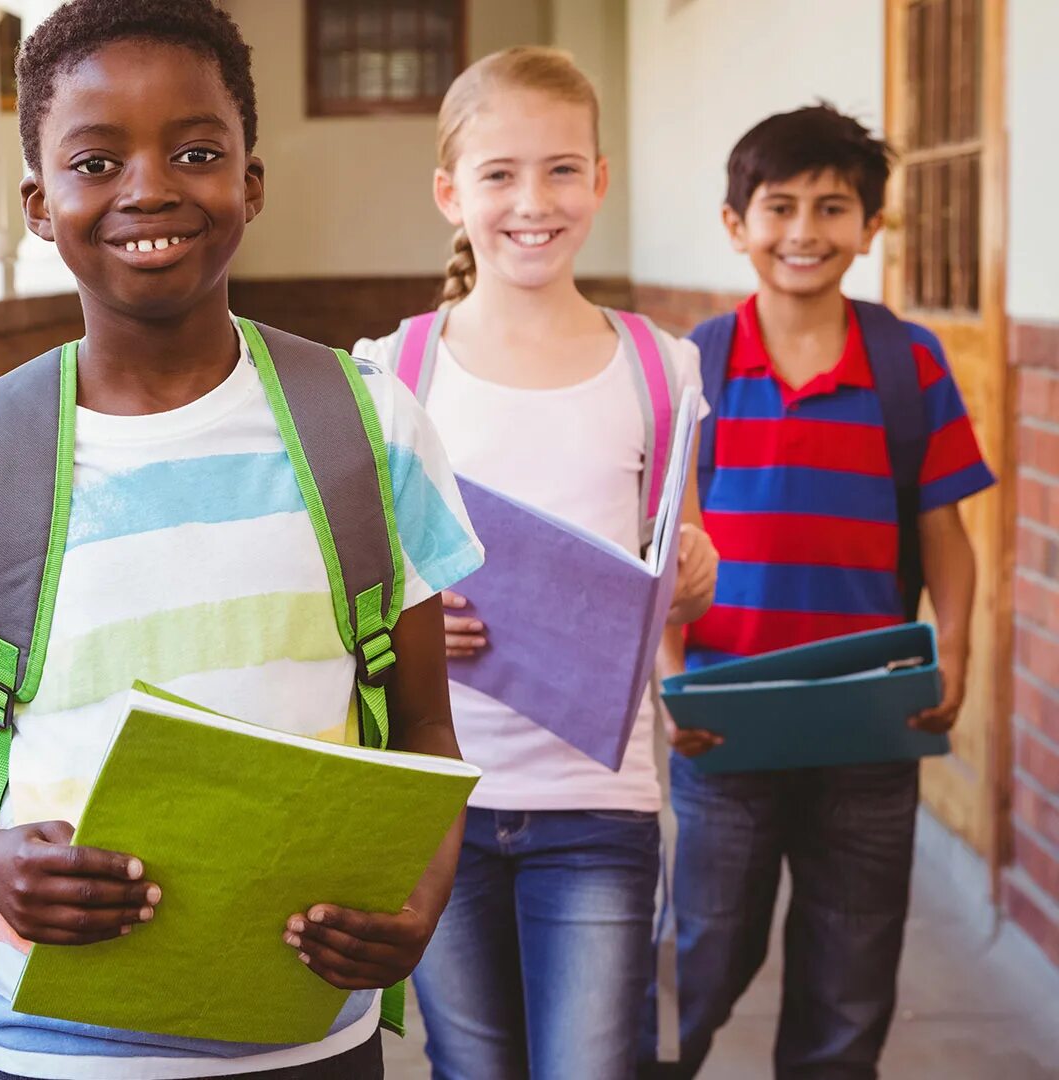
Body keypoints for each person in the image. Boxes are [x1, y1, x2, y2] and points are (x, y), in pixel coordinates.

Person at [0, 2, 488, 1076]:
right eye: (95, 160)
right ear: (38, 203)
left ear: (251, 182)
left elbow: (425, 735)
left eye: (198, 151)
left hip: (307, 1034)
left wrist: (420, 896)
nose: (150, 188)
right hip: (52, 1047)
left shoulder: (366, 425)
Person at [351, 46, 720, 1080]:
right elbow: (359, 587)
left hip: (601, 801)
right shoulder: (396, 371)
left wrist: (692, 571)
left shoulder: (660, 364)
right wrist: (411, 615)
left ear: (601, 180)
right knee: (472, 1069)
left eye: (562, 169)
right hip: (442, 801)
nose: (533, 201)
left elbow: (688, 557)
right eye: (500, 173)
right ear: (449, 193)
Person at [652, 103, 994, 1080]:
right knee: (696, 964)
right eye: (780, 207)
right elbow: (664, 545)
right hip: (726, 723)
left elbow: (945, 535)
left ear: (870, 228)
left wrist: (954, 658)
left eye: (833, 208)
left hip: (870, 727)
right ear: (735, 224)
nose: (804, 231)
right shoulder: (696, 369)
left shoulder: (908, 362)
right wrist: (672, 681)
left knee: (850, 980)